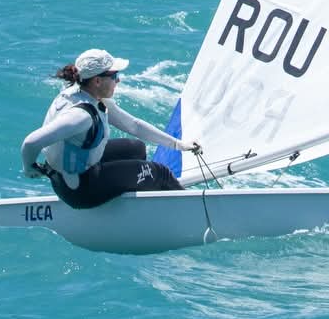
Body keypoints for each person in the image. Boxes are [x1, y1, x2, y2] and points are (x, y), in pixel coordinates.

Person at [20, 47, 201, 210]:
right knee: (161, 174)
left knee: (136, 149)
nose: (118, 80)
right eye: (114, 76)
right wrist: (30, 169)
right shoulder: (80, 116)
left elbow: (134, 125)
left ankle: (134, 201)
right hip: (81, 190)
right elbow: (31, 142)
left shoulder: (82, 94)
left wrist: (178, 144)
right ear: (97, 81)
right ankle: (193, 212)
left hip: (75, 175)